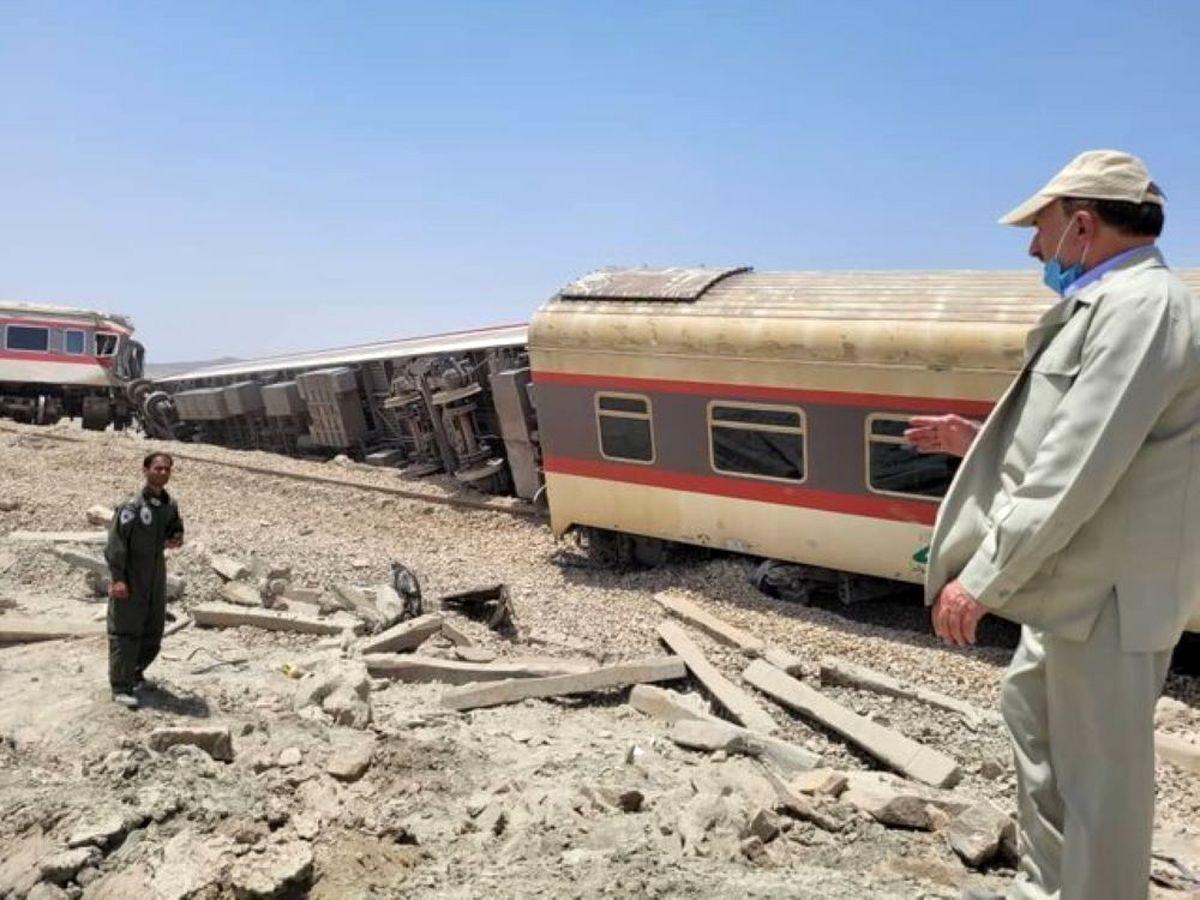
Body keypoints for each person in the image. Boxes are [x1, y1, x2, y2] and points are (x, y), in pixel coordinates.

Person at [911, 150, 1200, 900]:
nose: (1035, 249)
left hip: (1107, 599)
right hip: (1070, 585)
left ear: (1081, 224)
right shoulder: (1106, 307)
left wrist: (981, 578)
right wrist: (972, 441)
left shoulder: (1144, 309)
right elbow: (1070, 440)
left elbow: (1080, 462)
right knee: (1039, 743)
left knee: (1101, 788)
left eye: (1039, 230)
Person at [104, 451, 184, 709]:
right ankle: (120, 686)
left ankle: (136, 673)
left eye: (166, 470)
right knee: (125, 630)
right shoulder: (132, 507)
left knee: (153, 627)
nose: (162, 473)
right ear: (146, 470)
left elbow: (175, 527)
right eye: (157, 468)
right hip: (131, 573)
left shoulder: (168, 504)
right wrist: (118, 579)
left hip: (155, 573)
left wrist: (176, 537)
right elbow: (116, 544)